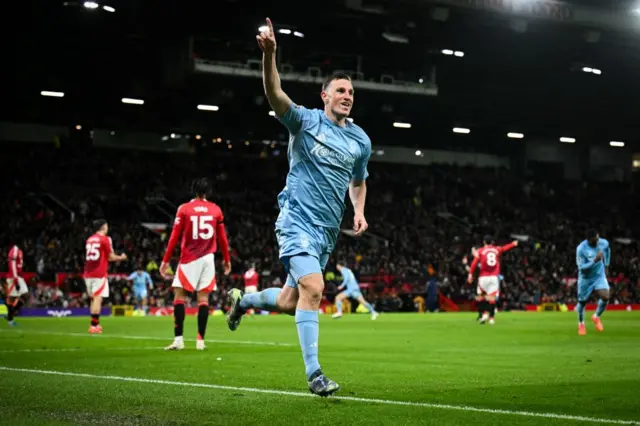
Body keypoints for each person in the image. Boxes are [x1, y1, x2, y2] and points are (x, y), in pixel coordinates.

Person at [226, 17, 372, 397]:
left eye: (351, 92)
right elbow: (275, 94)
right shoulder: (305, 122)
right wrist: (270, 55)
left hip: (325, 233)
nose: (347, 96)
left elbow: (359, 180)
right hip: (296, 221)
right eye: (340, 90)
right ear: (324, 95)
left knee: (293, 301)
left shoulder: (360, 140)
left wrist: (358, 210)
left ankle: (244, 302)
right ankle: (315, 375)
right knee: (314, 286)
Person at [161, 178, 231, 351]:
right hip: (208, 258)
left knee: (179, 296)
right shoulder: (215, 209)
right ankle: (200, 341)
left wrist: (165, 260)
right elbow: (222, 238)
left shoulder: (184, 208)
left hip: (189, 258)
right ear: (208, 192)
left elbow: (174, 236)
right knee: (203, 299)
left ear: (193, 191)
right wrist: (227, 259)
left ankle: (179, 340)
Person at [84, 219, 127, 333]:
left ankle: (95, 323)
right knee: (98, 299)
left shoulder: (89, 239)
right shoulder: (105, 239)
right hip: (99, 273)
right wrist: (121, 257)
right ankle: (93, 326)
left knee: (93, 299)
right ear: (103, 227)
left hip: (88, 273)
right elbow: (111, 257)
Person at [467, 236, 518, 324]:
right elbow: (504, 248)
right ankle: (491, 318)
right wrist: (513, 244)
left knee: (481, 296)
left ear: (484, 242)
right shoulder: (497, 249)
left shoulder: (480, 251)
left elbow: (474, 263)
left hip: (483, 277)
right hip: (494, 277)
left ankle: (484, 314)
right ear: (492, 242)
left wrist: (470, 274)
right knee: (492, 298)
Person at [575, 229, 610, 335]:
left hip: (599, 275)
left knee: (605, 296)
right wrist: (595, 260)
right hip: (585, 278)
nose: (596, 242)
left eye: (597, 239)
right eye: (594, 241)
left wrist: (607, 265)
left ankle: (596, 316)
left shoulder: (603, 243)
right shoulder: (581, 249)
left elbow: (608, 250)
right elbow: (581, 268)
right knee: (582, 302)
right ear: (588, 240)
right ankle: (581, 323)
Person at [5, 241, 28, 326]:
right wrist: (16, 280)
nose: (26, 244)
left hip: (18, 277)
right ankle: (10, 318)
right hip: (14, 277)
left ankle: (10, 315)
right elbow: (12, 265)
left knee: (24, 296)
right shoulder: (15, 250)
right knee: (14, 298)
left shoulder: (19, 251)